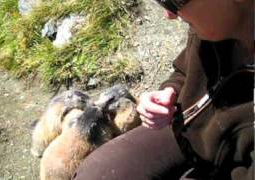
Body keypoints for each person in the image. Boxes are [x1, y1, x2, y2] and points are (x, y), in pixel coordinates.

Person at [72, 0, 254, 179]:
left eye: (172, 2)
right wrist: (169, 91)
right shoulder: (215, 25)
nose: (169, 15)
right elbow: (185, 69)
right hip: (186, 129)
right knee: (96, 172)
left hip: (235, 166)